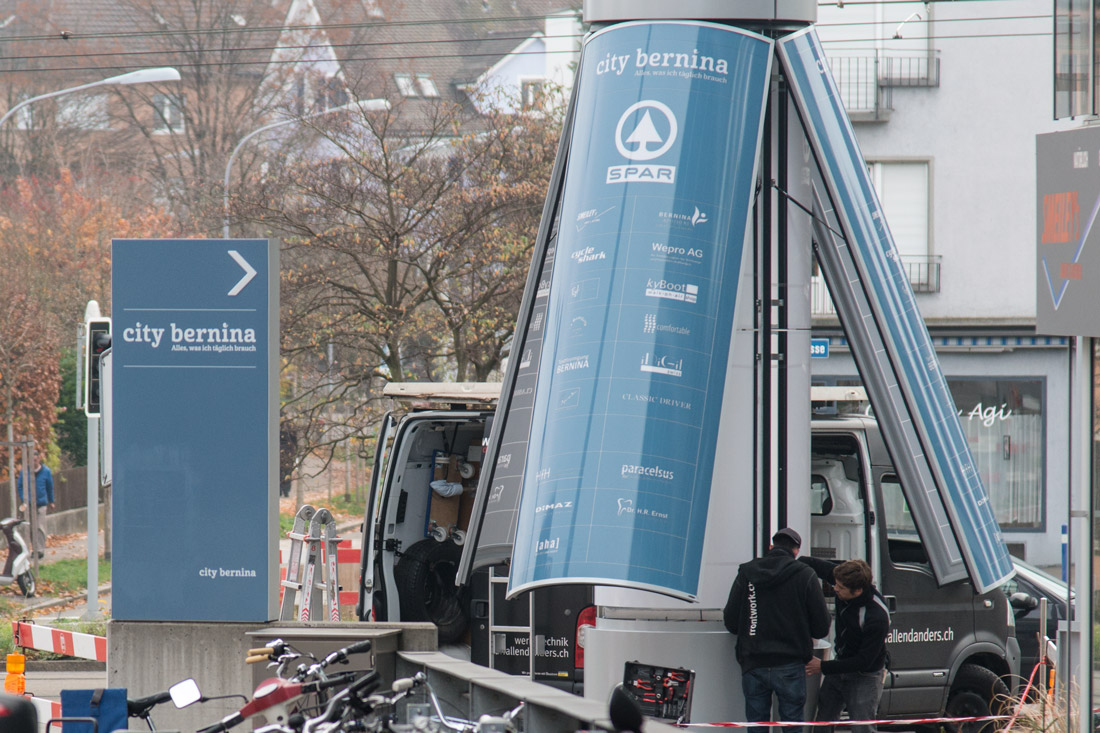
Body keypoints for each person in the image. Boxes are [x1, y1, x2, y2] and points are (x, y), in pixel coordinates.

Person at [724, 528, 831, 733]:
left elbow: (731, 622)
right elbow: (820, 628)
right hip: (790, 664)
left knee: (757, 725)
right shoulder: (805, 575)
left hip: (753, 662)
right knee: (791, 724)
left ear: (771, 547)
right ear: (796, 551)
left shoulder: (747, 573)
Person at [799, 557, 890, 733]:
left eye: (840, 588)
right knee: (822, 722)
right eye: (836, 584)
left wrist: (823, 666)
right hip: (839, 665)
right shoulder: (843, 578)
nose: (835, 589)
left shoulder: (876, 617)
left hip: (865, 675)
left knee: (862, 727)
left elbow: (864, 660)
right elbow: (808, 562)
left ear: (857, 590)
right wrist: (785, 555)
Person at [16, 452, 54, 558]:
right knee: (30, 527)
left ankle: (40, 550)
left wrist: (51, 501)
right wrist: (24, 498)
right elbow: (20, 486)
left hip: (41, 503)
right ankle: (31, 549)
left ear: (39, 460)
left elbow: (49, 487)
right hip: (28, 504)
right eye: (31, 460)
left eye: (35, 460)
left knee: (39, 527)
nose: (33, 462)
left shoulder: (46, 471)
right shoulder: (24, 472)